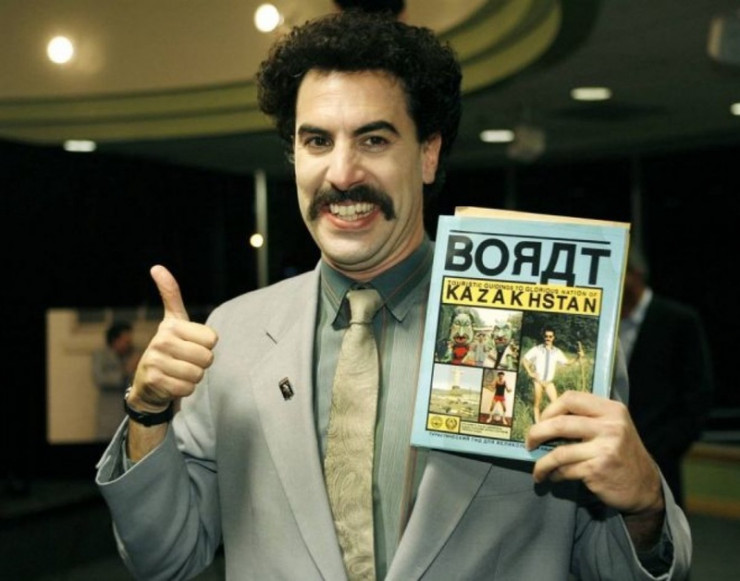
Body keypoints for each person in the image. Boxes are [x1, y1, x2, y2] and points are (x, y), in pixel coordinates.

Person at [96, 11, 690, 580]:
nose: (342, 174)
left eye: (374, 140)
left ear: (428, 154)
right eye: (317, 141)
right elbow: (165, 558)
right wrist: (148, 412)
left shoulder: (541, 321)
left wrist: (644, 506)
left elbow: (611, 566)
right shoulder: (232, 337)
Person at [620, 247, 714, 508]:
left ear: (636, 274)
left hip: (660, 460)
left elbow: (698, 393)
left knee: (661, 526)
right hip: (609, 457)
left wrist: (664, 448)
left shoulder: (679, 320)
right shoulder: (607, 321)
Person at [522, 326, 584, 424]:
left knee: (556, 404)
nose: (548, 338)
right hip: (538, 382)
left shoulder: (557, 352)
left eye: (550, 336)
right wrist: (530, 373)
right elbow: (524, 360)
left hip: (549, 383)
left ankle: (550, 422)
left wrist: (577, 357)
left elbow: (567, 363)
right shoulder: (537, 349)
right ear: (543, 337)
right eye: (546, 336)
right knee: (537, 404)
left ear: (553, 338)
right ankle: (537, 424)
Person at [92, 321, 140, 439]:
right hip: (108, 416)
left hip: (128, 416)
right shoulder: (100, 355)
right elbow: (100, 378)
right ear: (115, 340)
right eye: (126, 341)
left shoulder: (132, 355)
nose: (129, 344)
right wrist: (126, 370)